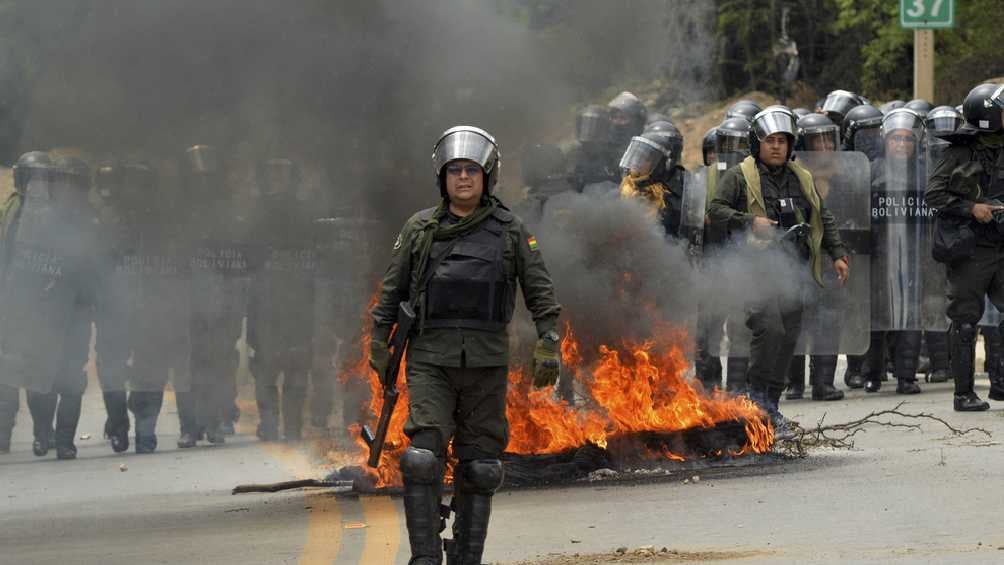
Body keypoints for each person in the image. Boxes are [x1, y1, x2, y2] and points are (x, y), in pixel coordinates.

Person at [371, 126, 561, 564]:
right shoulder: (420, 229)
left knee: (481, 466)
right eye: (454, 170)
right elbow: (391, 291)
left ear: (486, 175)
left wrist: (549, 342)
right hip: (430, 359)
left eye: (471, 170)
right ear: (442, 177)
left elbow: (541, 292)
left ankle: (467, 557)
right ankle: (424, 557)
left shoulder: (511, 231)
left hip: (487, 361)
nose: (462, 178)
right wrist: (380, 342)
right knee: (422, 458)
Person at [708, 106, 849, 437]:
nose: (776, 146)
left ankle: (770, 407)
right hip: (756, 271)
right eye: (770, 140)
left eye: (782, 141)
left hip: (794, 271)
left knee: (786, 338)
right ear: (757, 143)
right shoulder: (740, 176)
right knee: (769, 331)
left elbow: (821, 215)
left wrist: (838, 253)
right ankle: (755, 403)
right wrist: (749, 222)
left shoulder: (801, 177)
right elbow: (716, 210)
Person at [0, 153, 97, 460]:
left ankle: (64, 439)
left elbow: (91, 261)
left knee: (70, 373)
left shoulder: (77, 216)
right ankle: (45, 433)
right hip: (32, 307)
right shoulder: (13, 211)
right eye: (32, 180)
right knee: (35, 370)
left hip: (70, 306)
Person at [925, 83, 1004, 411]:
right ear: (987, 116)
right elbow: (934, 194)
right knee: (966, 320)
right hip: (970, 248)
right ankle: (963, 394)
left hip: (1002, 245)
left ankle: (1000, 384)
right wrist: (972, 208)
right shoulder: (958, 152)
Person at [179, 145, 251, 446]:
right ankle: (191, 426)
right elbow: (176, 258)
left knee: (220, 361)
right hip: (192, 301)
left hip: (223, 301)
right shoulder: (182, 213)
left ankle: (216, 420)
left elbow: (244, 259)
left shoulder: (232, 214)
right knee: (192, 364)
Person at [248, 158, 317, 442]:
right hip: (266, 302)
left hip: (298, 301)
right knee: (265, 367)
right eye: (273, 171)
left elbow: (316, 257)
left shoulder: (305, 215)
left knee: (297, 366)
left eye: (284, 172)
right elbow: (249, 259)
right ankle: (269, 422)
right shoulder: (257, 214)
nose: (278, 178)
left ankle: (292, 426)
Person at [865, 109, 929, 395]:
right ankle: (873, 375)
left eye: (907, 139)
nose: (901, 144)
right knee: (876, 317)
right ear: (885, 141)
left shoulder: (925, 171)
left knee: (910, 316)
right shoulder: (872, 170)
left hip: (914, 254)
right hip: (878, 253)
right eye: (895, 139)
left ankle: (906, 376)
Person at [618, 126, 687, 237]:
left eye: (645, 159)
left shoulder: (667, 197)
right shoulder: (627, 185)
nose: (636, 164)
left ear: (660, 164)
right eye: (637, 157)